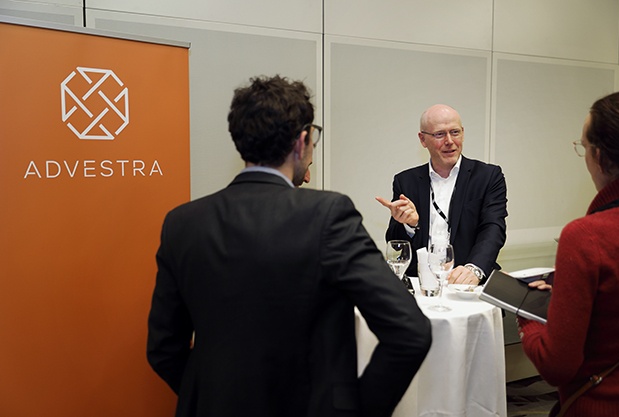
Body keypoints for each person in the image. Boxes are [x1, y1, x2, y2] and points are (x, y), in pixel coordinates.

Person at [147, 75, 432, 417]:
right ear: (302, 141)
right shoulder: (328, 215)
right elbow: (409, 331)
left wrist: (208, 395)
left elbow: (164, 348)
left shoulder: (182, 223)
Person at [517, 91, 619, 416]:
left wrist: (529, 317)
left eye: (583, 146)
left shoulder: (586, 236)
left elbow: (556, 366)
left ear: (599, 156)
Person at [376, 104, 507, 285]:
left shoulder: (488, 176)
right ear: (423, 139)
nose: (449, 141)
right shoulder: (405, 181)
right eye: (439, 134)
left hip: (468, 280)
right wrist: (410, 225)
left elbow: (493, 228)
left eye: (455, 132)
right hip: (422, 283)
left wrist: (474, 269)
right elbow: (395, 242)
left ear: (463, 133)